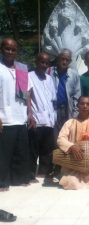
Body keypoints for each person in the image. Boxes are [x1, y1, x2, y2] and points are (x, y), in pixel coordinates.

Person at [0, 38, 35, 191]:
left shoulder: (22, 69)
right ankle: (3, 182)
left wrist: (30, 113)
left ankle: (19, 179)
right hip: (5, 118)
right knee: (4, 154)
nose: (10, 52)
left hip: (20, 118)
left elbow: (28, 93)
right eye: (7, 48)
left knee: (20, 152)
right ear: (2, 49)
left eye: (13, 49)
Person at [57, 96, 89, 190]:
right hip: (73, 166)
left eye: (88, 104)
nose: (85, 106)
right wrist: (71, 146)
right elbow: (60, 139)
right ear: (77, 106)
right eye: (82, 104)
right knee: (72, 182)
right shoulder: (70, 122)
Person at [28, 52, 56, 181]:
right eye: (42, 62)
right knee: (33, 148)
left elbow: (52, 99)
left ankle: (43, 171)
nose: (44, 65)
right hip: (36, 119)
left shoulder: (49, 78)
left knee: (47, 148)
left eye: (46, 63)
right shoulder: (30, 76)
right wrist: (30, 114)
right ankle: (30, 173)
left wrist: (54, 116)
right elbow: (28, 96)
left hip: (49, 119)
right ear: (36, 62)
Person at [48, 48, 81, 132]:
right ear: (58, 59)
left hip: (66, 109)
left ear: (70, 62)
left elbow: (77, 95)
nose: (64, 62)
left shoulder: (74, 75)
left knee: (66, 133)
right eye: (62, 59)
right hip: (52, 108)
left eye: (67, 60)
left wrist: (75, 113)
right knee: (53, 134)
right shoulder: (49, 72)